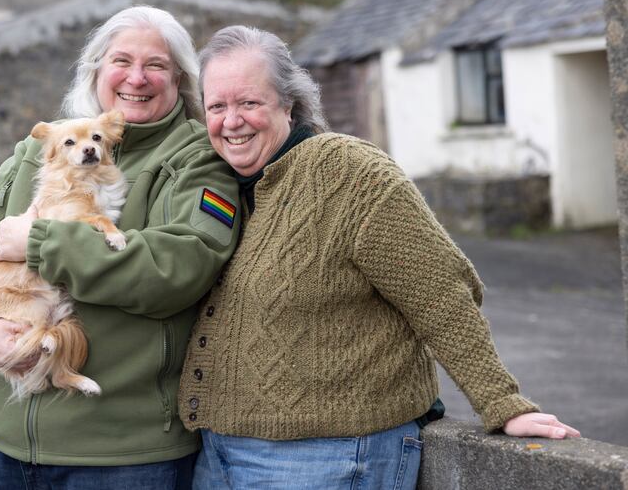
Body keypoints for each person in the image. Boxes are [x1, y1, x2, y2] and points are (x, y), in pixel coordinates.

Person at [178, 25, 580, 490]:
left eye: (249, 103)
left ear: (288, 103)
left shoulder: (351, 174)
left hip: (331, 458)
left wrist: (501, 401)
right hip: (218, 455)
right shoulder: (222, 186)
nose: (232, 121)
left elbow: (441, 293)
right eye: (217, 107)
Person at [0, 6, 241, 490]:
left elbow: (176, 268)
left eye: (156, 65)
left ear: (180, 77)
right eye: (121, 61)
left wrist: (38, 243)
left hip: (122, 455)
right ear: (96, 70)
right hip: (3, 444)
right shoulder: (43, 147)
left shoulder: (199, 159)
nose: (136, 78)